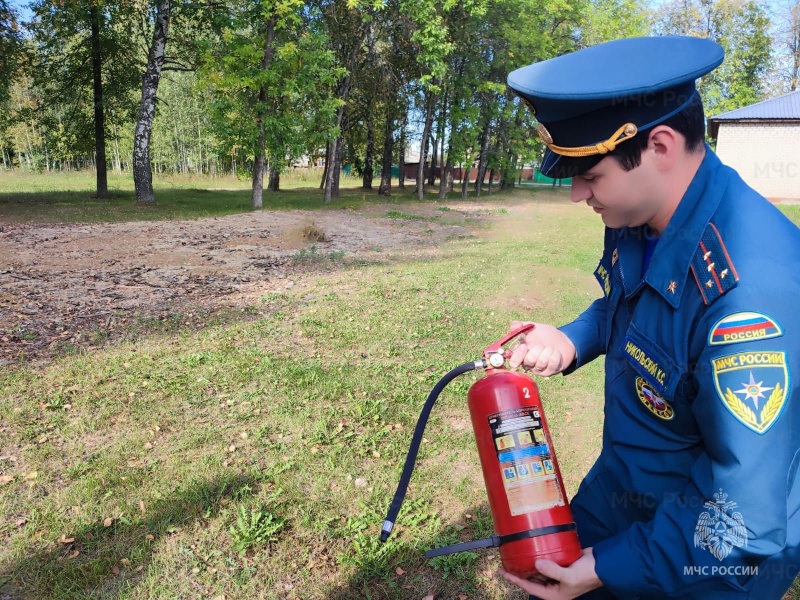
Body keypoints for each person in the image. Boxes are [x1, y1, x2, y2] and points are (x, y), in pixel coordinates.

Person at [498, 36, 800, 599]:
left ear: (659, 145)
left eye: (590, 173)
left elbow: (745, 517)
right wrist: (571, 339)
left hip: (702, 553)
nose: (576, 194)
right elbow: (629, 305)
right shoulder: (638, 214)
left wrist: (607, 567)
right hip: (622, 489)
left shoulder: (750, 297)